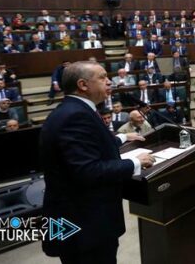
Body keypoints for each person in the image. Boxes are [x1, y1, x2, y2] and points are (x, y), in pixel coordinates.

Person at [40, 61, 153, 263]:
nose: (109, 82)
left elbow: (89, 144)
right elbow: (87, 170)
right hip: (84, 225)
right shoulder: (75, 116)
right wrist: (135, 163)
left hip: (84, 221)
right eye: (102, 77)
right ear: (83, 85)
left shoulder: (74, 109)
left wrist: (123, 138)